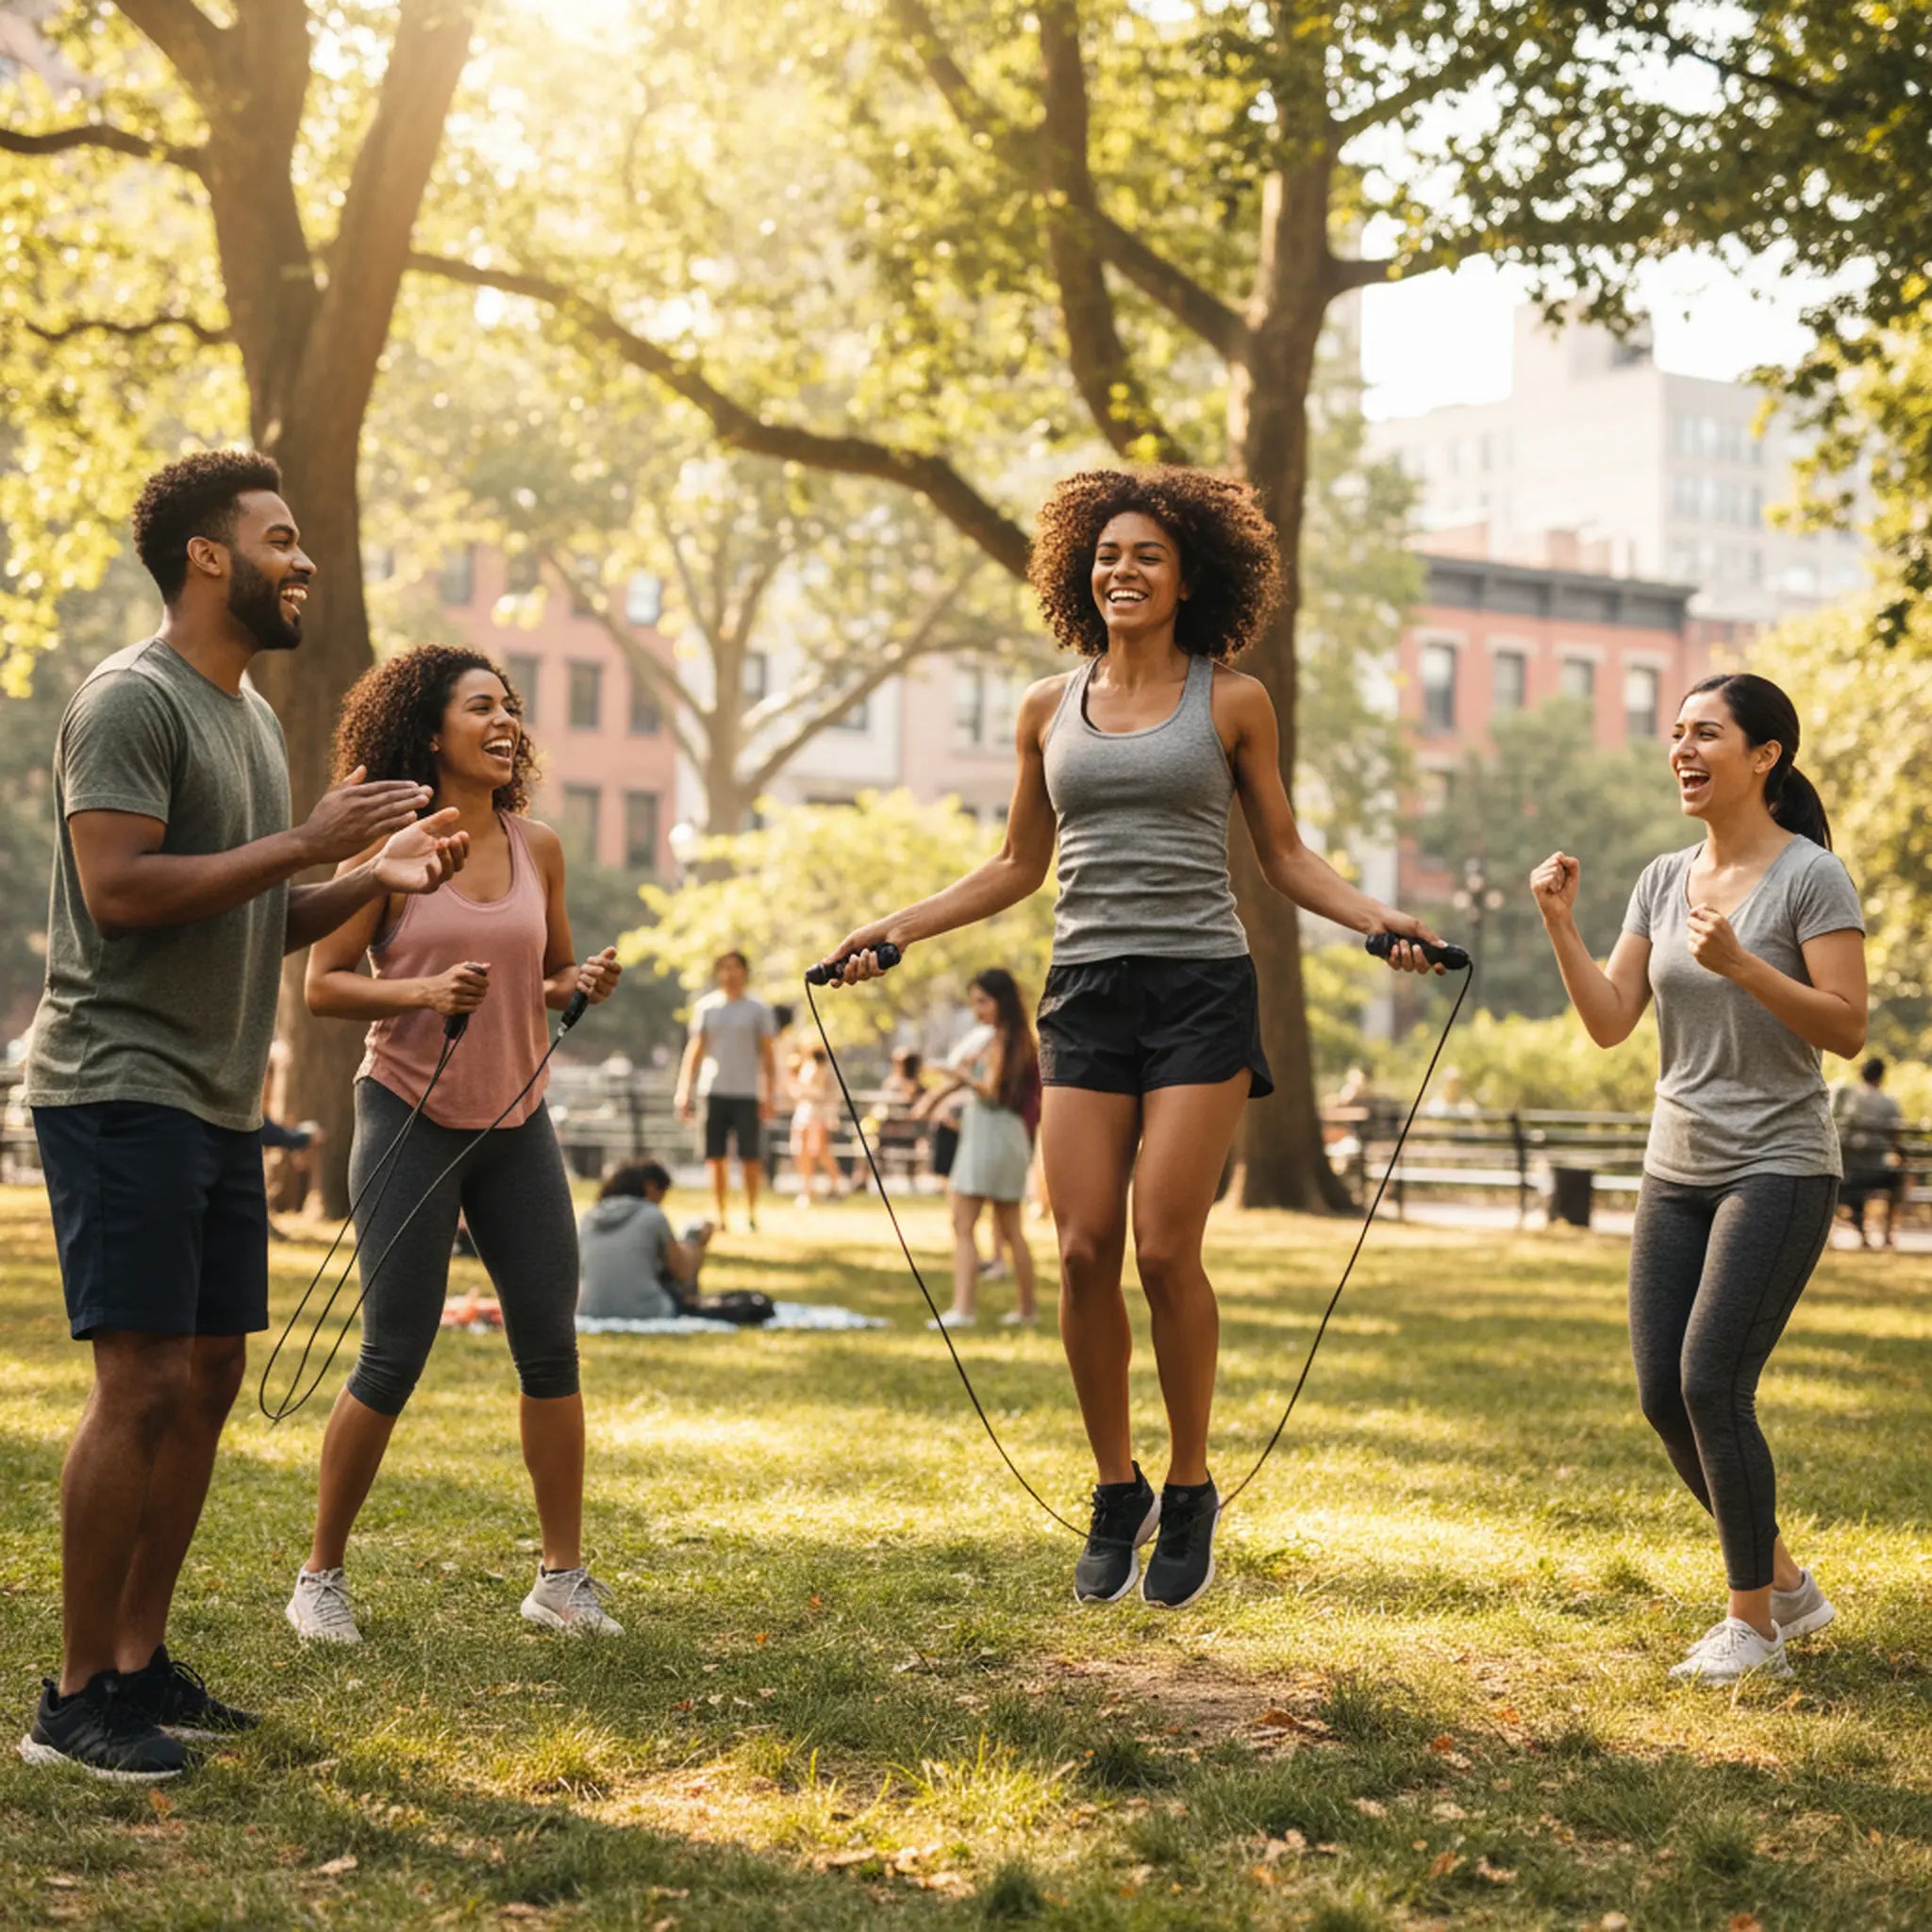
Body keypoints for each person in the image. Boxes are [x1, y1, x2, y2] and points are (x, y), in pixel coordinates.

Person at [819, 467, 1439, 1609]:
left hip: (1200, 986)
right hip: (1085, 992)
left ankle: (1192, 1481)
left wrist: (1376, 920)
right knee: (1081, 1248)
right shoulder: (1045, 708)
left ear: (1188, 574)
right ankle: (1120, 1486)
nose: (1122, 570)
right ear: (1077, 572)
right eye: (1105, 554)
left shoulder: (1231, 699)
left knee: (1163, 1248)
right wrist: (893, 927)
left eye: (1146, 554)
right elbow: (1016, 865)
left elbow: (1284, 855)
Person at [20, 451, 466, 1780]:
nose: (303, 559)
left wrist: (366, 875)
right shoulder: (128, 701)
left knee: (209, 1379)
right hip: (118, 1081)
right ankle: (72, 1699)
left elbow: (255, 911)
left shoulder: (250, 718)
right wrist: (316, 845)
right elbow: (123, 892)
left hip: (216, 1100)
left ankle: (140, 1663)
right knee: (140, 1380)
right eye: (280, 537)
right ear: (210, 557)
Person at [1532, 671, 1866, 1686]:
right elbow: (1607, 1020)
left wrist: (1746, 967)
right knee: (1660, 1394)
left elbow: (1845, 1027)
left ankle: (1751, 1624)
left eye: (1705, 733)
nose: (1681, 749)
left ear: (1762, 756)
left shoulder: (1811, 876)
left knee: (1711, 1377)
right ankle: (1788, 1587)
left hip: (1777, 1163)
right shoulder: (1659, 877)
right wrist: (1558, 922)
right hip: (1673, 1167)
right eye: (1674, 732)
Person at [290, 644, 623, 1646]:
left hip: (517, 1120)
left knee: (550, 1348)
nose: (504, 719)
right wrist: (421, 993)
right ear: (430, 734)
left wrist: (579, 984)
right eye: (480, 705)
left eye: (510, 705)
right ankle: (319, 1576)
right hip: (406, 1110)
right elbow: (321, 983)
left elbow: (550, 971)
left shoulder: (541, 845)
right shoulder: (392, 848)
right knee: (393, 1350)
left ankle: (561, 1578)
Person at [919, 970, 1041, 1329]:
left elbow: (991, 1089)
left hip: (993, 1130)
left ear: (1003, 1001)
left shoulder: (1006, 1039)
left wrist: (955, 1073)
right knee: (1009, 1227)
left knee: (963, 1222)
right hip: (1006, 1133)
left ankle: (963, 1309)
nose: (977, 1010)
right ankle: (1026, 1309)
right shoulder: (1012, 1039)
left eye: (983, 1001)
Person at [675, 951, 777, 1231]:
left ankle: (751, 1212)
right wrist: (684, 1089)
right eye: (724, 968)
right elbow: (694, 1052)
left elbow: (768, 1057)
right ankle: (720, 1215)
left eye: (735, 968)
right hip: (713, 1090)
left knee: (750, 1158)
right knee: (715, 1157)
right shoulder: (706, 1008)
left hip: (747, 1093)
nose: (729, 974)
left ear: (745, 972)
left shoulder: (759, 1009)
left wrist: (770, 1094)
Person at [577, 1161, 712, 1321]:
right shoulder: (652, 1215)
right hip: (648, 1310)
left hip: (589, 1308)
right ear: (650, 1187)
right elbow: (682, 1273)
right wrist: (695, 1244)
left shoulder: (588, 1218)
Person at [1833, 1058, 1905, 1249]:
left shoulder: (1847, 1097)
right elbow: (1896, 1138)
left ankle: (1860, 1230)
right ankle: (1887, 1236)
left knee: (1852, 1185)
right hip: (1876, 1172)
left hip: (1847, 1171)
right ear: (1882, 1076)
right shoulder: (1889, 1103)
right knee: (1898, 1178)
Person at [789, 1043, 841, 1207]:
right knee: (802, 1151)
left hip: (818, 1116)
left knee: (820, 1151)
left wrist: (803, 1091)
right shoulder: (806, 1067)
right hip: (804, 1115)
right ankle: (807, 1188)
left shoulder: (826, 1069)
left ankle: (834, 1185)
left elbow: (822, 1093)